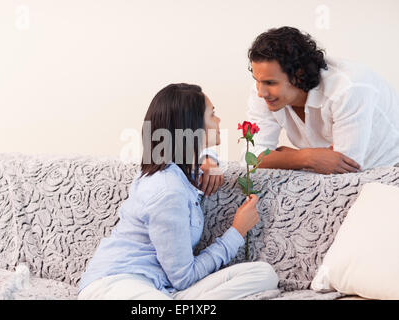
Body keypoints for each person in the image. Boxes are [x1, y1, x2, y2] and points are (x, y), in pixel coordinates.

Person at [78, 83, 278, 300]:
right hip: (117, 284)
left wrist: (209, 158)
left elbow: (195, 149)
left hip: (163, 288)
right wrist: (237, 232)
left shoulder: (182, 170)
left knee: (262, 274)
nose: (219, 121)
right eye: (212, 115)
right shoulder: (167, 191)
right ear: (192, 126)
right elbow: (184, 278)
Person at [244, 26, 399, 174]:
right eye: (256, 80)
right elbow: (251, 158)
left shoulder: (348, 88)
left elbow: (344, 167)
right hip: (350, 175)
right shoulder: (264, 89)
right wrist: (305, 157)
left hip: (391, 168)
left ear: (298, 74)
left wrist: (282, 155)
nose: (260, 92)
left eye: (270, 83)